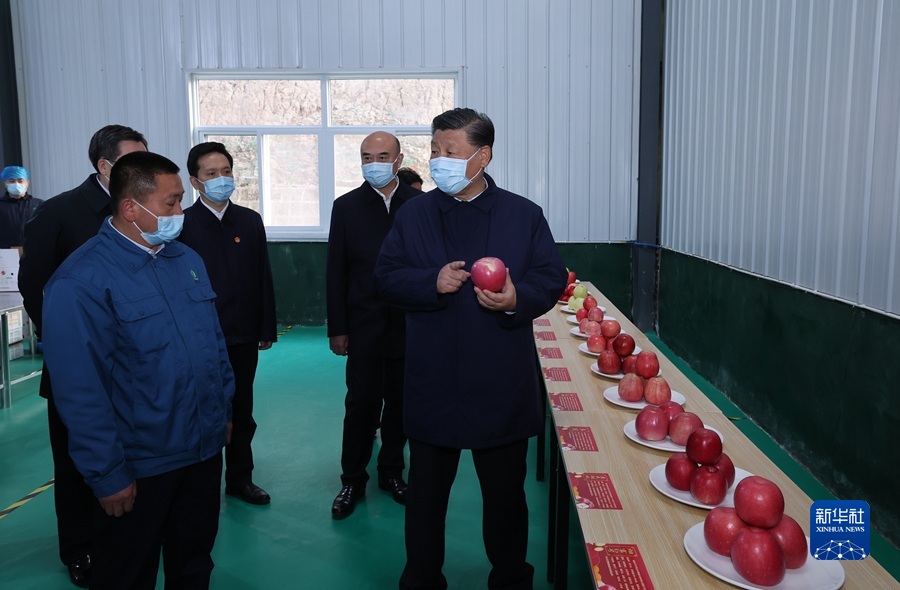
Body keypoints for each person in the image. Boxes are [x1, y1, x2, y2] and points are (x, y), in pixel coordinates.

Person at [374, 108, 566, 590]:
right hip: (433, 381)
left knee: (505, 500)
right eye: (434, 150)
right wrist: (429, 282)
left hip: (499, 382)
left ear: (483, 156)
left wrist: (516, 298)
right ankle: (421, 579)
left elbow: (549, 278)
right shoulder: (414, 214)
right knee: (425, 500)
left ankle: (510, 578)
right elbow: (387, 277)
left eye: (451, 151)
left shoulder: (523, 215)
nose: (439, 160)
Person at [41, 151, 235, 590]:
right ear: (131, 208)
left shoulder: (186, 260)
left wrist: (222, 412)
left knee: (194, 564)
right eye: (171, 202)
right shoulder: (81, 281)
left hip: (201, 451)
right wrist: (107, 473)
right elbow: (80, 390)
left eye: (180, 199)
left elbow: (213, 346)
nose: (181, 211)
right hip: (141, 464)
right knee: (127, 574)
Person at [17, 124, 147, 588]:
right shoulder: (59, 213)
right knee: (77, 464)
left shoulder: (144, 209)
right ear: (104, 166)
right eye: (133, 161)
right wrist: (68, 344)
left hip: (136, 366)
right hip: (80, 367)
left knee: (130, 457)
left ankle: (128, 539)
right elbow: (35, 287)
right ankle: (80, 549)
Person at [326, 131, 421, 519]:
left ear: (399, 160)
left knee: (401, 405)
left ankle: (392, 473)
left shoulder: (420, 205)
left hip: (409, 324)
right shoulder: (346, 207)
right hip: (364, 325)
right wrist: (338, 327)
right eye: (367, 157)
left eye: (383, 156)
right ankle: (352, 479)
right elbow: (336, 271)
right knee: (361, 405)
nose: (374, 164)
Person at [178, 141, 277, 505]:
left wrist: (266, 327)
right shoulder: (182, 225)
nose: (221, 179)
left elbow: (263, 276)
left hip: (243, 335)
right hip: (200, 338)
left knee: (242, 411)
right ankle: (197, 484)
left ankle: (240, 478)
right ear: (195, 182)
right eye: (211, 173)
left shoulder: (249, 221)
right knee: (202, 409)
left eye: (226, 171)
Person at [0, 166, 44, 248]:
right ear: (5, 184)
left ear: (27, 183)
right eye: (12, 181)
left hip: (33, 250)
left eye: (20, 181)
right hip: (6, 251)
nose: (16, 184)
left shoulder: (39, 204)